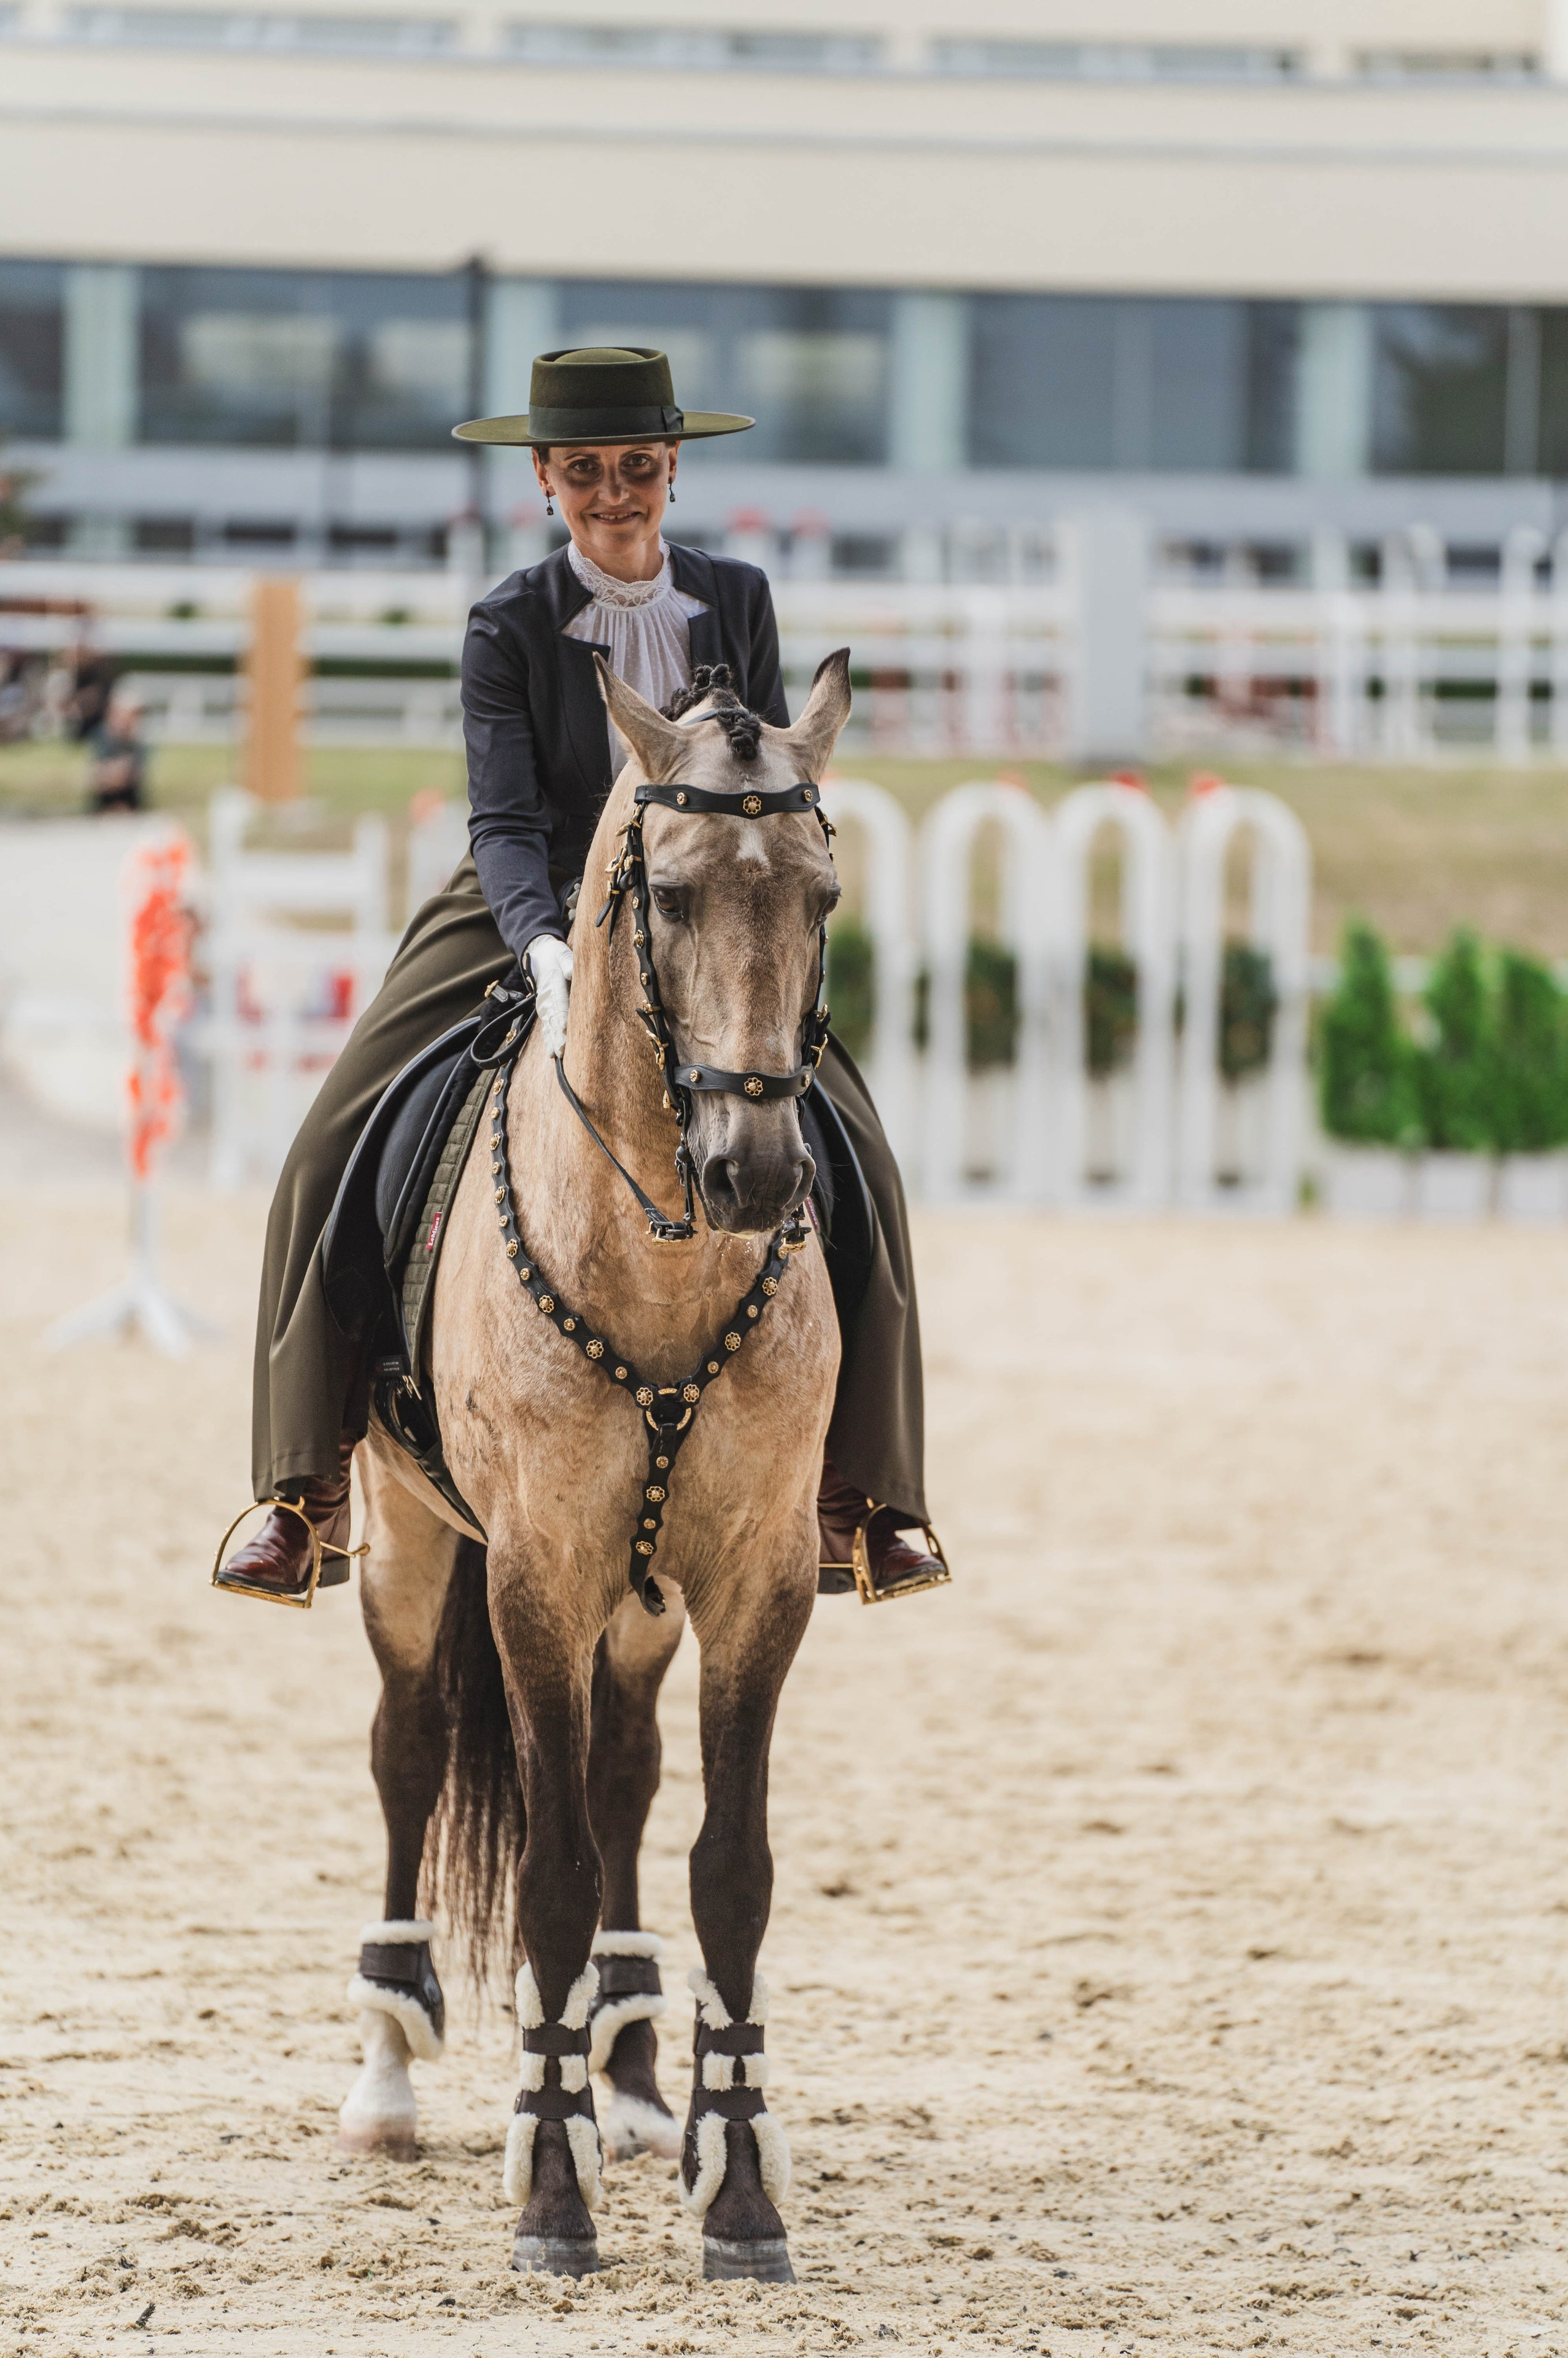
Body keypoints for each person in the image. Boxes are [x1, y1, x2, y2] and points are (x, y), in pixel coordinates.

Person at [217, 346, 944, 1606]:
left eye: (638, 467)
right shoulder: (506, 622)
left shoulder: (737, 596)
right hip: (527, 906)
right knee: (332, 1140)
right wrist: (544, 943)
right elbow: (502, 819)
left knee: (858, 1153)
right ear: (546, 480)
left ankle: (867, 1497)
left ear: (672, 469)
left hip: (707, 912)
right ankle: (303, 1487)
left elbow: (764, 773)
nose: (616, 493)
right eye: (588, 470)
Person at [87, 690, 147, 812]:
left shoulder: (137, 742)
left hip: (130, 811)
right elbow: (96, 779)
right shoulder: (101, 738)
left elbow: (132, 775)